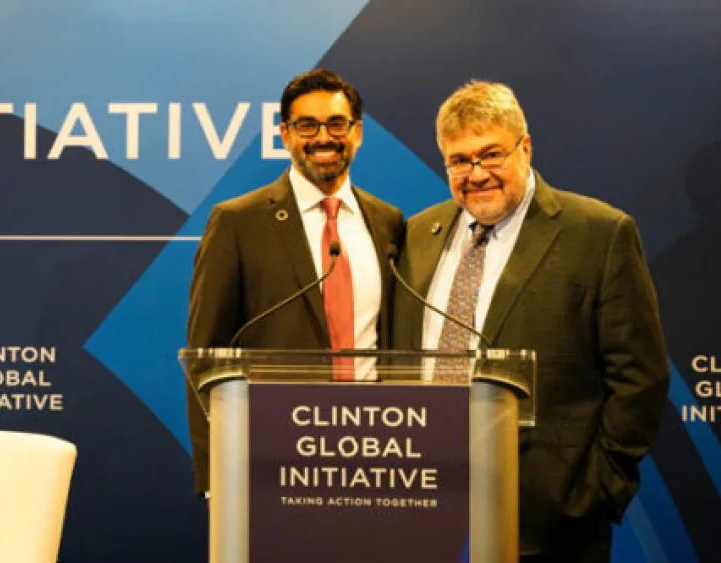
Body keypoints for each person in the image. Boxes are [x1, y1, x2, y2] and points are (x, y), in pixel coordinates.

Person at [391, 80, 669, 562]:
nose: (476, 173)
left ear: (526, 147)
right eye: (459, 160)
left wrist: (598, 490)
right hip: (425, 503)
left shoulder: (598, 233)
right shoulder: (418, 233)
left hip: (551, 520)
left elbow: (639, 376)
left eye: (490, 154)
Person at [185, 69, 404, 495]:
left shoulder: (388, 222)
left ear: (357, 133)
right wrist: (216, 478)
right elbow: (205, 357)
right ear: (285, 134)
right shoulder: (237, 222)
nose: (323, 137)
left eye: (336, 124)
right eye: (307, 125)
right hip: (271, 456)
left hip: (377, 455)